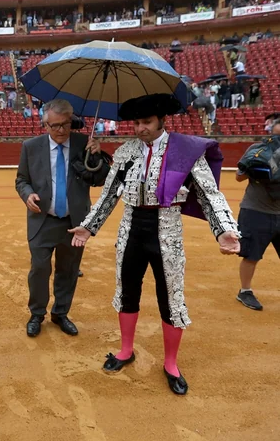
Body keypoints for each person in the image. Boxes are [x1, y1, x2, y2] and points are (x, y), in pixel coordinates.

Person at [69, 94, 241, 395]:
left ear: (162, 120)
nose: (140, 129)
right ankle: (125, 350)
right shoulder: (125, 152)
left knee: (171, 295)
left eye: (146, 122)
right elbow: (109, 195)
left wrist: (224, 230)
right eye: (136, 123)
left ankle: (171, 363)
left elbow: (208, 194)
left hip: (167, 229)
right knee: (127, 290)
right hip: (131, 228)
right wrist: (88, 227)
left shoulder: (185, 151)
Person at [16, 99, 105, 338]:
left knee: (68, 269)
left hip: (74, 221)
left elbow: (99, 179)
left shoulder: (83, 143)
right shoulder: (31, 147)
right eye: (54, 126)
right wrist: (28, 194)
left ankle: (61, 313)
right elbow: (21, 180)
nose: (60, 130)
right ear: (45, 124)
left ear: (71, 121)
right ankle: (37, 313)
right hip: (42, 219)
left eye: (65, 124)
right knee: (39, 269)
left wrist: (98, 156)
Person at [234, 121, 280, 310]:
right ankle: (245, 291)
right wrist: (255, 170)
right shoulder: (256, 150)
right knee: (251, 255)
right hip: (255, 211)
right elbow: (239, 176)